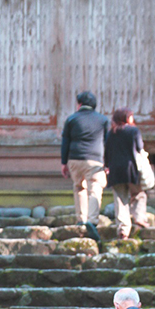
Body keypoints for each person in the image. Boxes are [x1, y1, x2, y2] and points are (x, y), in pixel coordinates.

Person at [60, 90, 109, 243]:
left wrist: (64, 162)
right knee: (95, 188)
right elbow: (107, 142)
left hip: (74, 158)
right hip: (95, 159)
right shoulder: (103, 120)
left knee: (79, 187)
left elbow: (65, 142)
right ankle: (92, 221)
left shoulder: (71, 119)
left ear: (79, 104)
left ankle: (81, 219)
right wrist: (108, 162)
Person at [104, 108, 148, 239]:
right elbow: (139, 147)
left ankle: (123, 229)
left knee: (120, 199)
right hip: (131, 168)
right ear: (127, 118)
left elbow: (107, 151)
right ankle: (139, 218)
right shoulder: (133, 131)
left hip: (115, 170)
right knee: (138, 194)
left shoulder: (111, 133)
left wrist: (106, 166)